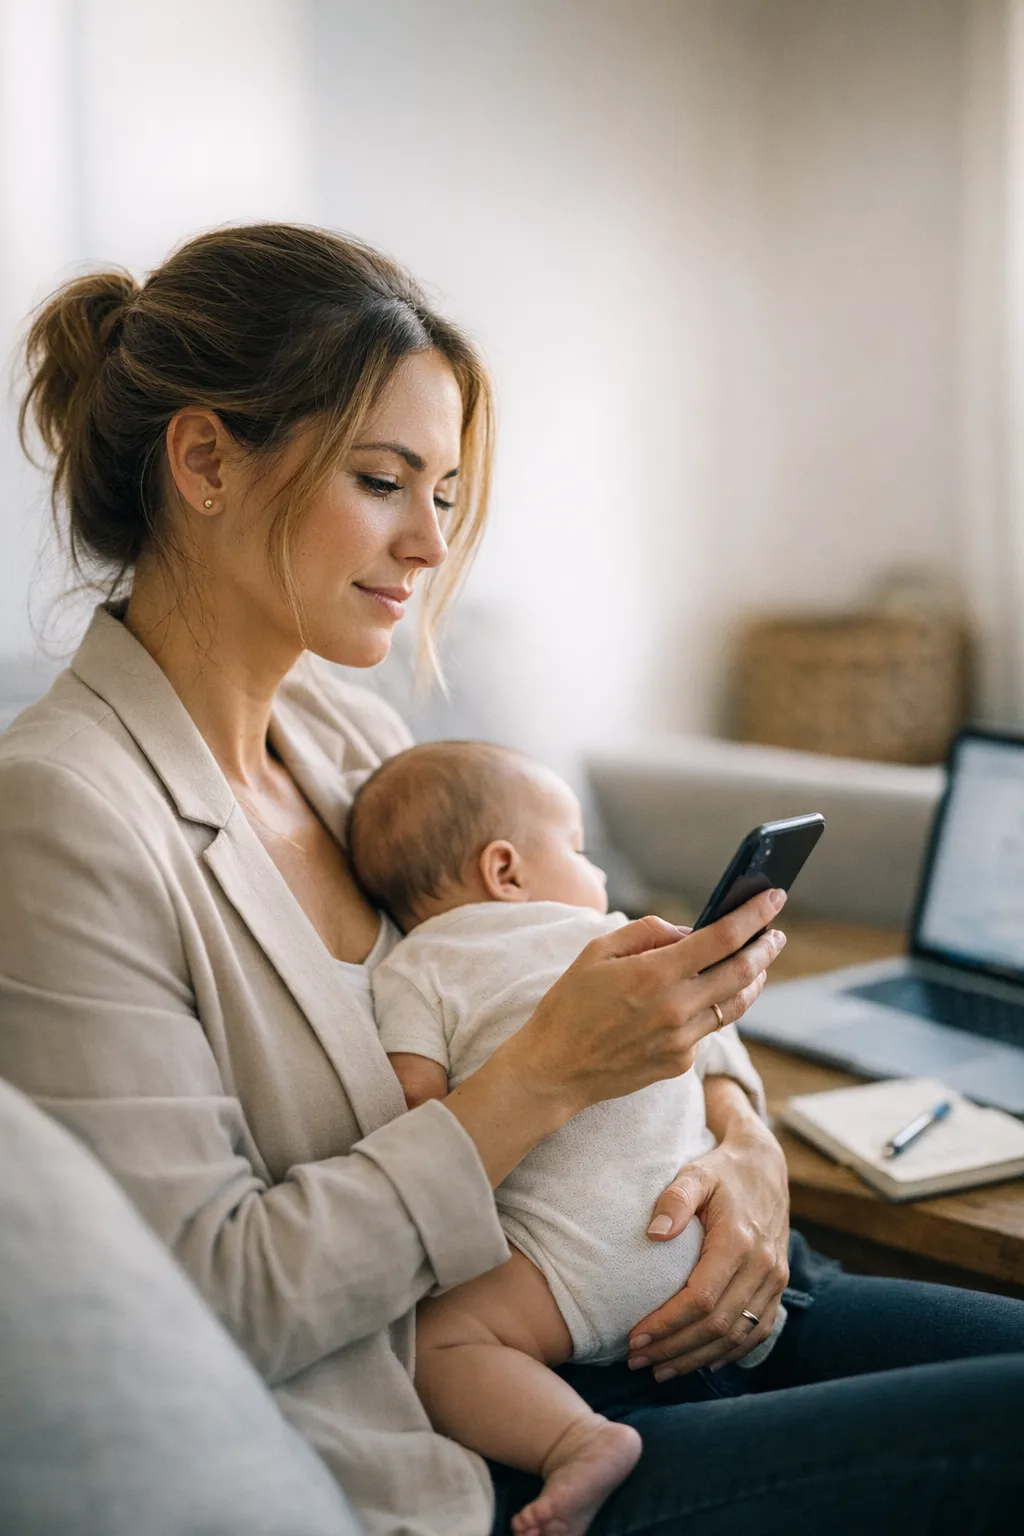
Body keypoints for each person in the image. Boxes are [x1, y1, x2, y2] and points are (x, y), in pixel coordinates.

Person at [0, 223, 1022, 1536]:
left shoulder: (345, 736)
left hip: (687, 1286)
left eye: (442, 493)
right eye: (384, 480)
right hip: (489, 1424)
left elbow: (548, 966)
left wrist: (747, 1147)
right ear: (203, 461)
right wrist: (540, 1080)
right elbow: (212, 1300)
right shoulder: (60, 816)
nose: (430, 545)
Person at [348, 737, 789, 1536]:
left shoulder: (413, 967)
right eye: (581, 850)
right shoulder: (617, 935)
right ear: (505, 870)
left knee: (432, 1344)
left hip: (566, 1272)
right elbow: (711, 1029)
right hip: (709, 1246)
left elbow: (414, 1103)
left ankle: (578, 1442)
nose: (600, 875)